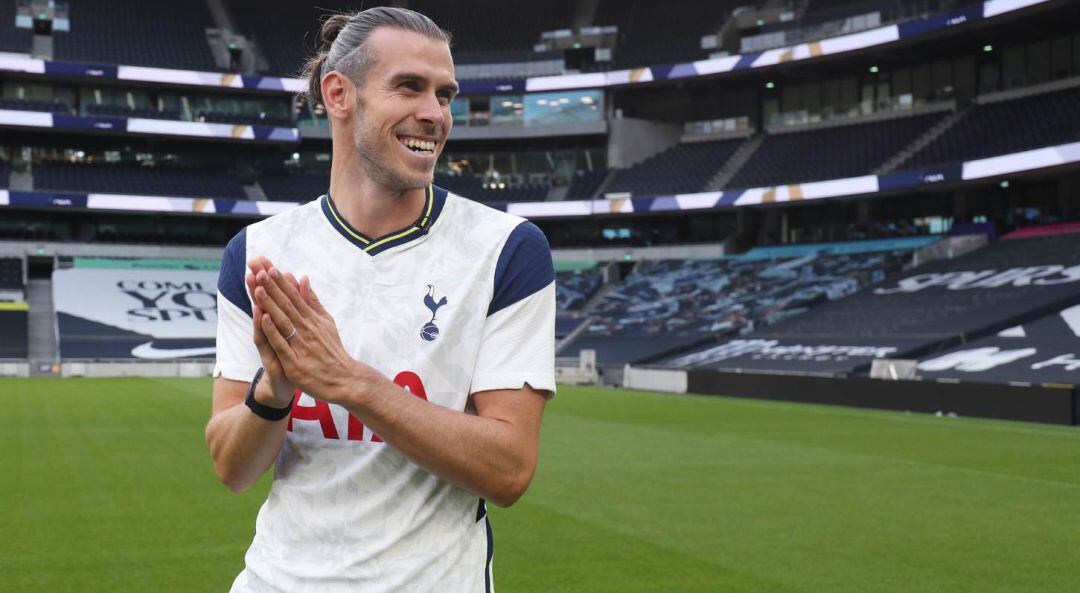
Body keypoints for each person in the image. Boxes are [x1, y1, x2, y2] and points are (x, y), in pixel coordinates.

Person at [204, 7, 556, 592]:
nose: (434, 114)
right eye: (409, 87)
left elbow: (510, 469)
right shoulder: (259, 252)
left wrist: (350, 382)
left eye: (445, 95)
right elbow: (232, 468)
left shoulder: (506, 250)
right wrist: (274, 389)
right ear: (339, 94)